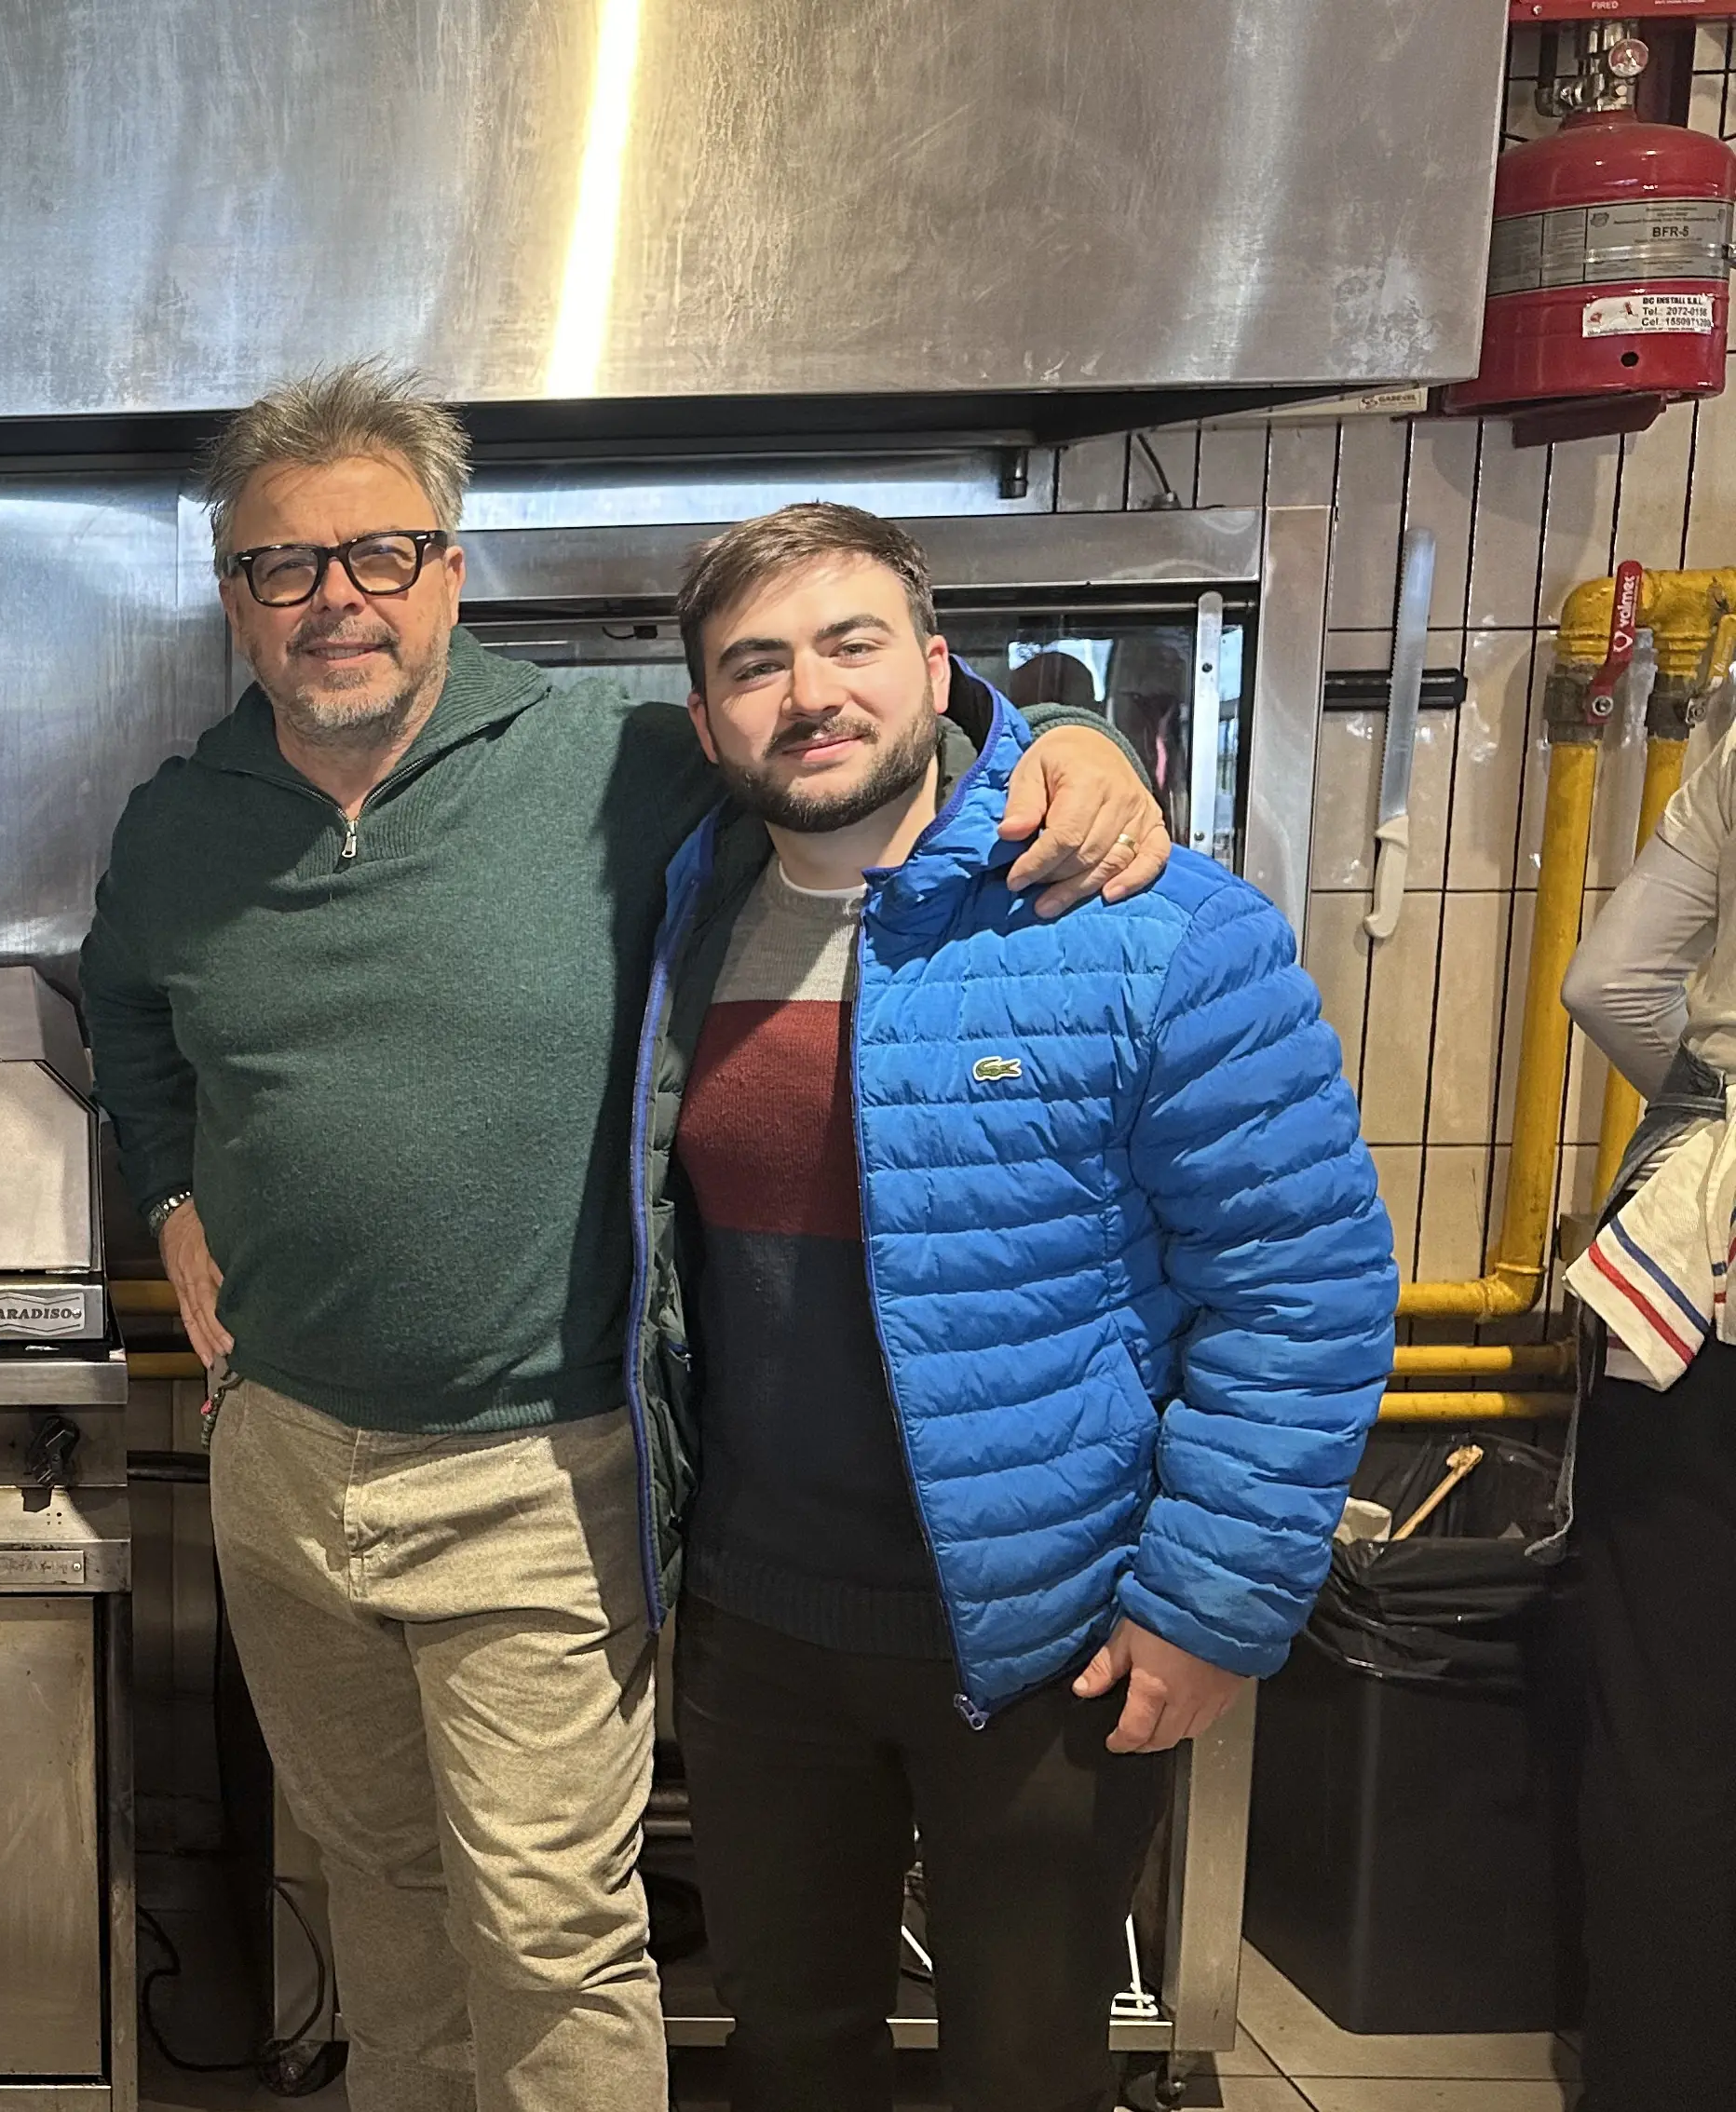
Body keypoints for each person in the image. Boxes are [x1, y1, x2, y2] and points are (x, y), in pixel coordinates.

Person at [78, 363, 1172, 2112]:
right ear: (234, 598)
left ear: (447, 570)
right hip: (280, 1461)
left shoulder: (617, 762)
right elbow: (125, 1021)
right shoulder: (180, 821)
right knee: (381, 1898)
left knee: (544, 1930)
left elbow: (852, 752)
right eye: (282, 566)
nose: (332, 599)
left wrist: (1067, 737)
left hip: (535, 1463)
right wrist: (171, 1195)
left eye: (377, 553)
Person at [644, 503, 1393, 2110]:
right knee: (786, 2047)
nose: (809, 694)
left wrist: (1208, 1599)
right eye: (755, 665)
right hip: (757, 1621)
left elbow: (1303, 1283)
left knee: (1028, 2064)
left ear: (933, 666)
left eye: (850, 644)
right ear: (705, 719)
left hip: (1046, 1625)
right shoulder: (679, 914)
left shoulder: (1152, 929)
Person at [1558, 705, 1736, 2112]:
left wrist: (1712, 1103)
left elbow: (1613, 981)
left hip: (1703, 1295)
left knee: (1672, 1717)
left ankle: (1658, 2077)